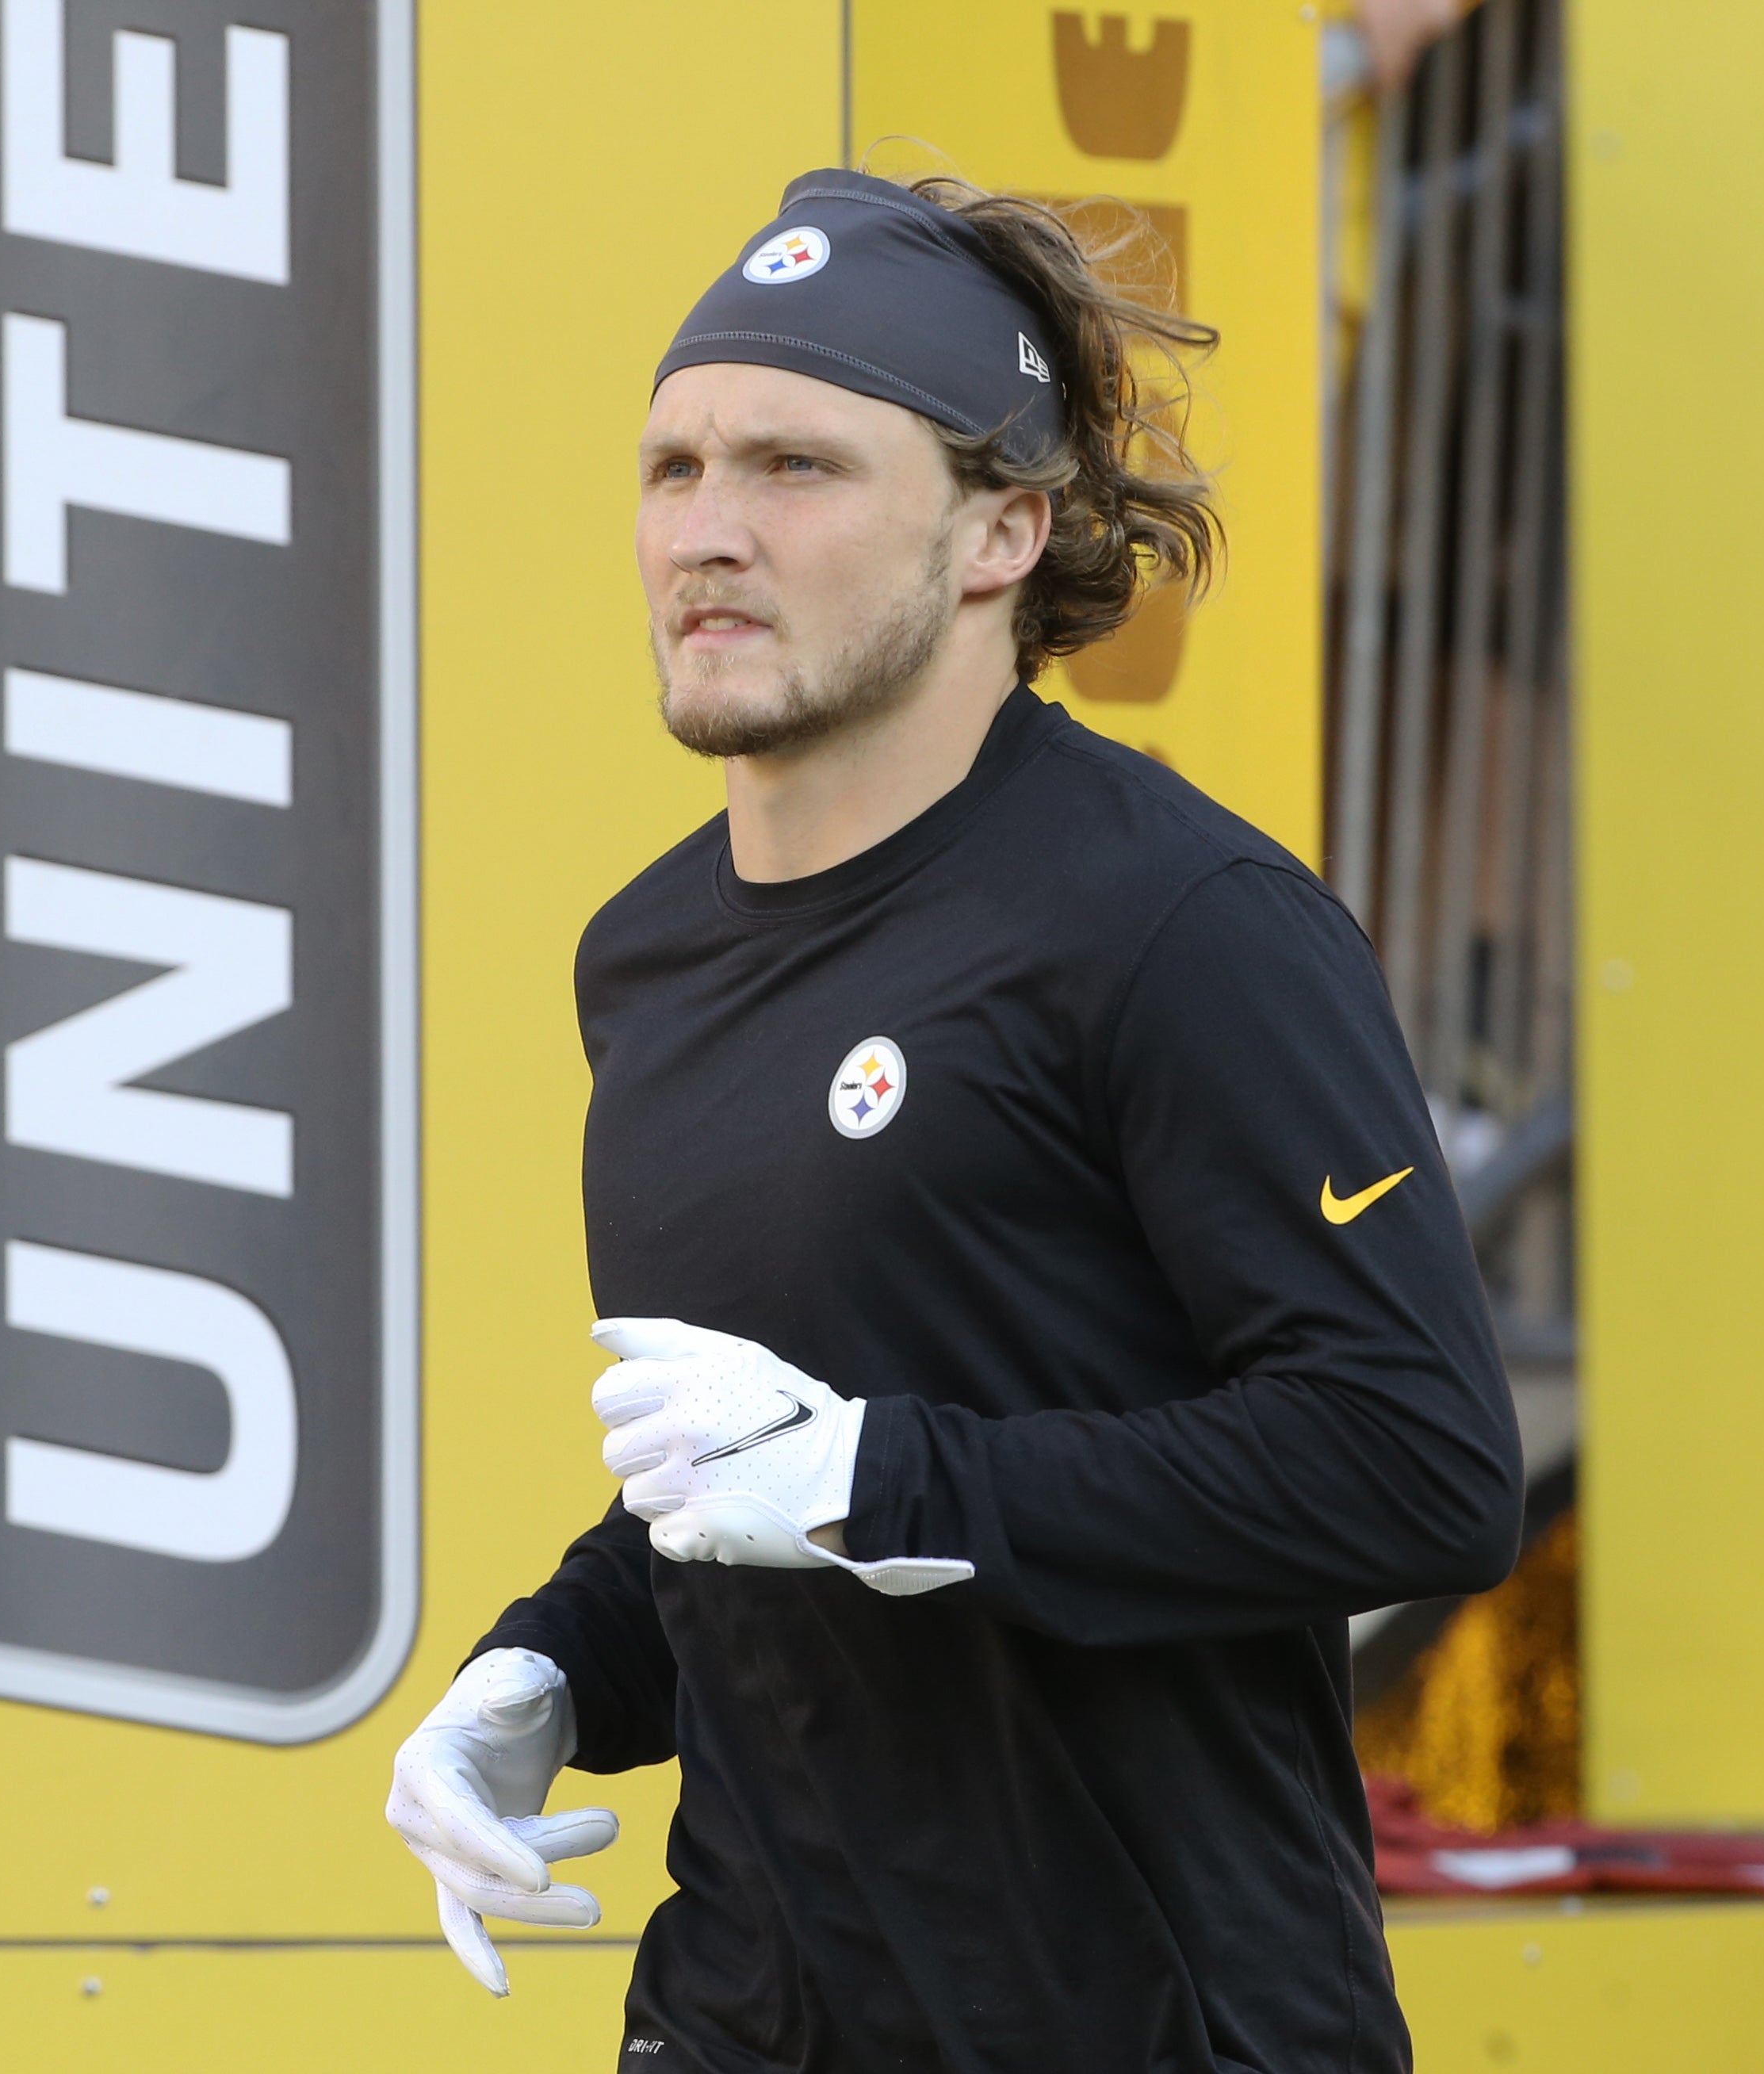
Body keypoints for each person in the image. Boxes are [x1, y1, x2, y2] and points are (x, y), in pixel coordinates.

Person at [385, 167, 1521, 2074]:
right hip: (751, 2012)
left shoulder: (1178, 924)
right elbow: (789, 1458)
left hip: (1152, 2019)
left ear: (1003, 529)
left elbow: (1415, 1464)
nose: (709, 534)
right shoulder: (647, 955)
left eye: (797, 469)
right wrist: (559, 1660)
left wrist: (882, 1485)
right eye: (674, 470)